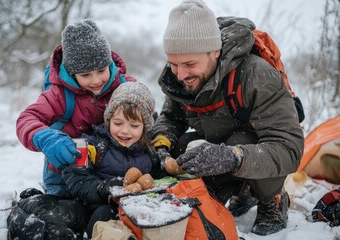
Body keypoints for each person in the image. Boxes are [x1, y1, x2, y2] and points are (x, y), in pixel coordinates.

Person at [151, 0, 304, 236]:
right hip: (211, 149)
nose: (180, 75)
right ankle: (239, 190)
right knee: (179, 146)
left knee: (240, 141)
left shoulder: (257, 74)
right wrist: (160, 144)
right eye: (173, 64)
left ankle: (271, 200)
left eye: (189, 64)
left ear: (215, 51)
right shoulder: (180, 76)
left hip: (246, 148)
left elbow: (289, 148)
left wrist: (232, 158)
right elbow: (170, 118)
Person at [16, 19, 135, 197]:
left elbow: (144, 109)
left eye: (101, 70)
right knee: (65, 214)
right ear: (72, 74)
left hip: (108, 172)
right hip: (64, 174)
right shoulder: (60, 95)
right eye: (86, 75)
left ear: (109, 64)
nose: (96, 80)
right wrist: (47, 138)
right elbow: (27, 119)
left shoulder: (124, 87)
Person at [62, 81, 160, 238]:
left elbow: (159, 176)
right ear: (108, 120)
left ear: (145, 127)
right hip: (101, 209)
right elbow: (74, 177)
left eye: (134, 126)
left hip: (139, 209)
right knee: (105, 212)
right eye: (118, 123)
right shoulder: (92, 145)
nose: (125, 131)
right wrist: (102, 188)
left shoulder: (150, 151)